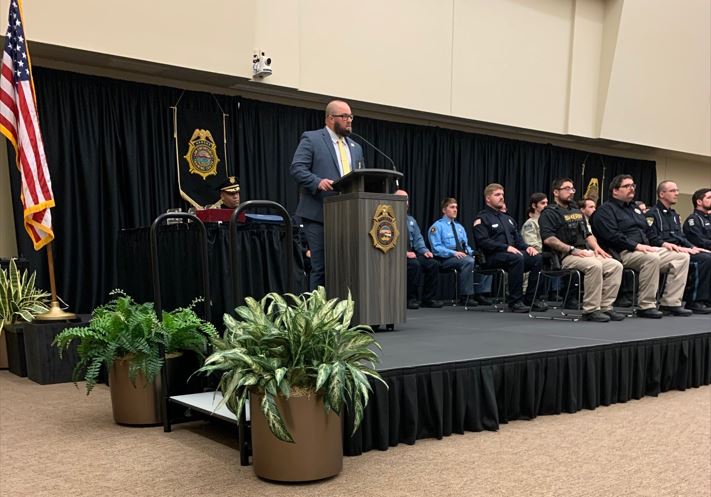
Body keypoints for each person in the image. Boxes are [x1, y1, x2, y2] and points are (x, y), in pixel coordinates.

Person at [592, 174, 691, 318]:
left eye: (633, 186)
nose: (631, 189)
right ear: (615, 191)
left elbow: (649, 232)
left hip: (644, 249)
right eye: (627, 186)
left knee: (681, 257)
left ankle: (670, 303)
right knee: (651, 258)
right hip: (622, 252)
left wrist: (664, 244)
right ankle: (646, 305)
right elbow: (611, 236)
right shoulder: (605, 210)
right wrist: (636, 246)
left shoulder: (635, 209)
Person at [290, 99, 365, 289]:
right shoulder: (312, 138)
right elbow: (297, 168)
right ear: (331, 118)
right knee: (322, 267)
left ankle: (344, 314)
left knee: (348, 267)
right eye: (345, 116)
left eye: (351, 116)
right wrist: (317, 182)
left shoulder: (356, 147)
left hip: (349, 217)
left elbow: (361, 178)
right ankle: (318, 316)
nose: (349, 120)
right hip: (319, 214)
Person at [538, 178, 625, 322]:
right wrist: (572, 250)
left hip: (585, 253)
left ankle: (605, 307)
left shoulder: (577, 211)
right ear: (555, 192)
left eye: (572, 189)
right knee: (594, 266)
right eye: (566, 188)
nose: (571, 192)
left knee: (615, 265)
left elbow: (587, 234)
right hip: (564, 256)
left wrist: (597, 248)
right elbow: (549, 239)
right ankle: (591, 309)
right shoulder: (549, 213)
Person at [472, 183, 547, 313]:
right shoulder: (482, 218)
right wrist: (505, 247)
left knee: (537, 258)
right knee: (516, 258)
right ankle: (515, 301)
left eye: (502, 194)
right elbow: (483, 242)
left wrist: (528, 247)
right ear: (488, 198)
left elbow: (518, 241)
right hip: (490, 257)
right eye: (497, 195)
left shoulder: (508, 219)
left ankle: (531, 299)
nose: (501, 197)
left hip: (511, 255)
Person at [645, 181, 711, 314]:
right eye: (673, 191)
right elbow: (653, 238)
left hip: (679, 249)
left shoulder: (674, 215)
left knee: (704, 255)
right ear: (662, 194)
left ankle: (703, 300)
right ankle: (694, 301)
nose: (677, 193)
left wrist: (692, 247)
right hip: (662, 250)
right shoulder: (652, 214)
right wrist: (681, 248)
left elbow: (681, 237)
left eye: (677, 190)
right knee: (704, 259)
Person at [395, 189, 442, 310]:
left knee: (433, 264)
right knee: (414, 265)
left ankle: (428, 299)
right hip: (396, 255)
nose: (405, 202)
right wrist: (403, 253)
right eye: (402, 199)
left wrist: (425, 251)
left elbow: (418, 239)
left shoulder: (411, 220)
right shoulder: (388, 219)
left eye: (406, 199)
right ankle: (410, 299)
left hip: (412, 253)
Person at [428, 197, 475, 304]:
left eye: (456, 207)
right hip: (445, 259)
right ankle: (466, 296)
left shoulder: (460, 227)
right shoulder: (437, 226)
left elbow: (465, 246)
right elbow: (436, 249)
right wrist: (453, 253)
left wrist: (473, 253)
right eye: (452, 207)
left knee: (482, 259)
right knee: (468, 261)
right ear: (444, 210)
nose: (455, 210)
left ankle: (482, 295)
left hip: (461, 257)